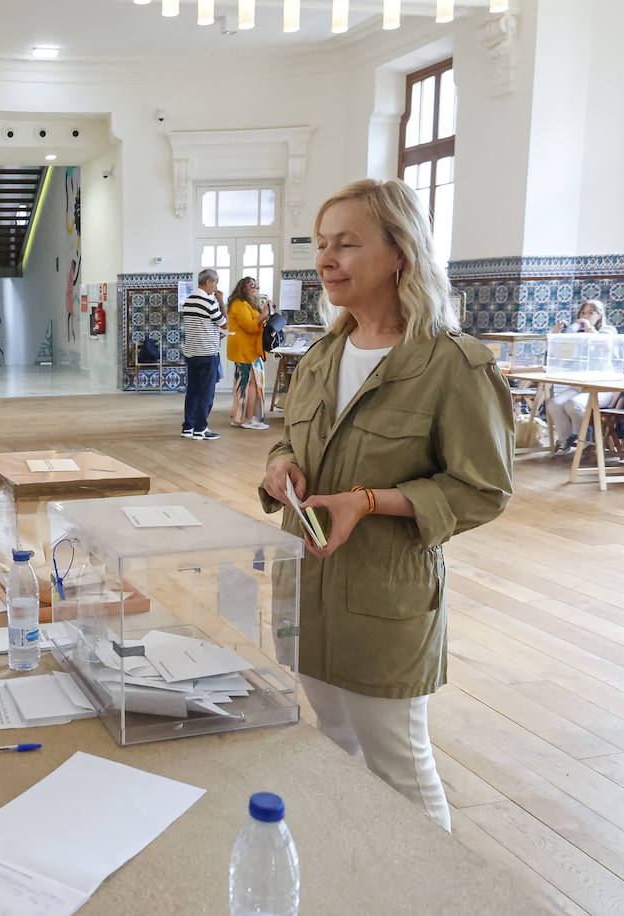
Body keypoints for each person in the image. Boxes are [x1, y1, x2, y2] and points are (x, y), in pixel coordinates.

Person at [259, 178, 514, 832]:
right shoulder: (320, 356)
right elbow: (288, 436)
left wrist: (369, 501)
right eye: (321, 245)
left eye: (346, 244)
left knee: (396, 760)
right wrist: (280, 465)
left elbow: (483, 490)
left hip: (385, 599)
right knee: (332, 740)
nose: (325, 260)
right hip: (305, 587)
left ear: (400, 252)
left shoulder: (452, 365)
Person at [548, 299, 620, 453]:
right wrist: (556, 334)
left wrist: (589, 329)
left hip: (602, 388)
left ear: (599, 315)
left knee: (573, 405)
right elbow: (557, 353)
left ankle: (583, 439)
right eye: (583, 313)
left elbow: (606, 346)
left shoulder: (608, 331)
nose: (585, 316)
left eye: (590, 313)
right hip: (578, 385)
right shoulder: (576, 335)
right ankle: (565, 439)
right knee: (553, 404)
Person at [180, 268, 226, 440]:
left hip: (192, 353)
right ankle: (201, 428)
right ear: (208, 282)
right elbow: (225, 324)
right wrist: (221, 302)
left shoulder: (189, 301)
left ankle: (188, 427)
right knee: (207, 392)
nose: (216, 287)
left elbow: (201, 326)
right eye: (215, 283)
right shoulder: (210, 302)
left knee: (193, 390)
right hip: (207, 354)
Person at [226, 276, 270, 430]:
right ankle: (247, 418)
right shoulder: (238, 304)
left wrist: (266, 314)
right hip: (244, 350)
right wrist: (264, 315)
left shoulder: (250, 305)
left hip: (253, 350)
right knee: (247, 384)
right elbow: (250, 327)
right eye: (252, 286)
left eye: (256, 286)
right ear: (243, 288)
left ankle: (246, 417)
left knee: (254, 383)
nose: (255, 288)